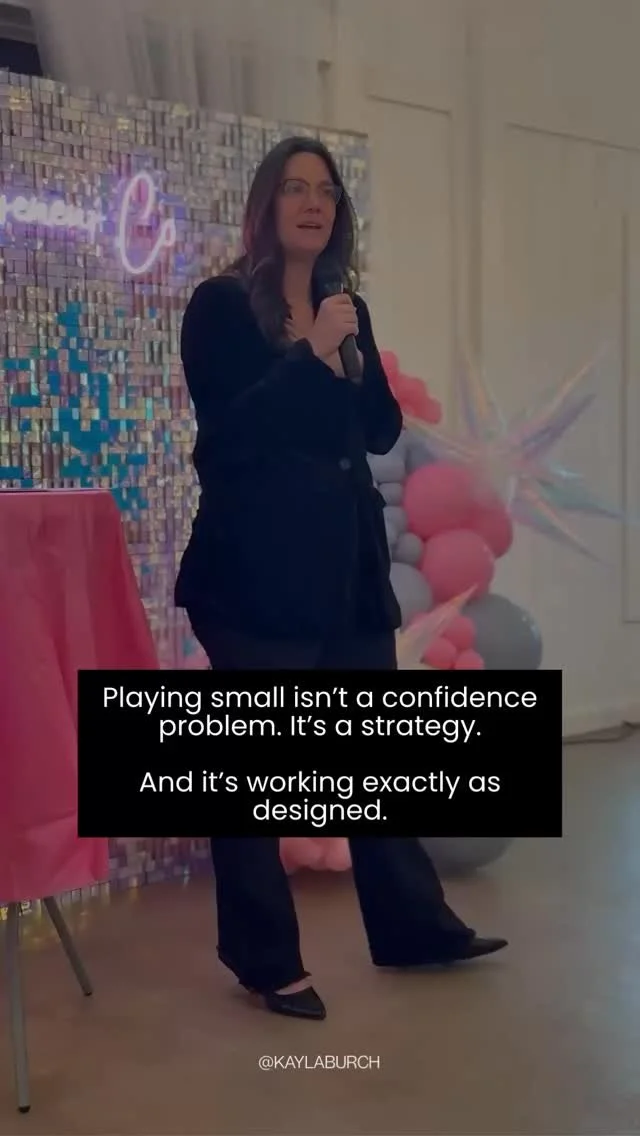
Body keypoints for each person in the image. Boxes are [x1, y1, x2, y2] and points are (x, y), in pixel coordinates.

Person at [175, 136, 507, 1021]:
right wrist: (310, 355)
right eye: (294, 188)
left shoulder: (341, 305)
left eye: (325, 190)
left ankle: (413, 928)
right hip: (251, 581)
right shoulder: (220, 307)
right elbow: (229, 441)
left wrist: (344, 348)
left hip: (346, 574)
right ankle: (265, 961)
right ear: (266, 207)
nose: (313, 203)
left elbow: (379, 431)